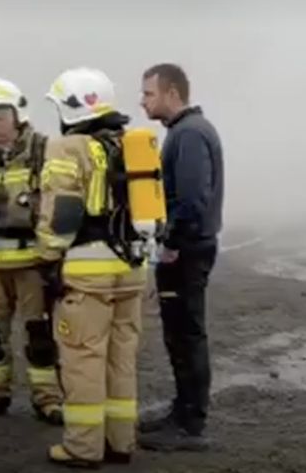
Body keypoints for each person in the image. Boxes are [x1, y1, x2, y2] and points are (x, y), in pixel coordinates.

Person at [37, 68, 147, 468]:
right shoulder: (131, 144)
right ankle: (121, 442)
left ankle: (83, 448)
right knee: (122, 359)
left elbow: (61, 213)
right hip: (132, 267)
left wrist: (47, 257)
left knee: (84, 359)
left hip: (87, 272)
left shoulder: (68, 147)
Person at [0, 77, 63, 425]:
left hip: (33, 264)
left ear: (16, 115)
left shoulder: (44, 151)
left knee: (41, 336)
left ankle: (48, 399)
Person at [138, 63, 223, 452]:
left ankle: (191, 424)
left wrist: (169, 242)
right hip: (189, 246)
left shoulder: (188, 135)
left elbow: (191, 198)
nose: (143, 102)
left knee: (186, 334)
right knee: (180, 333)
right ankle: (183, 411)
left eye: (149, 94)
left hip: (186, 249)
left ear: (172, 93)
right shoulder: (186, 132)